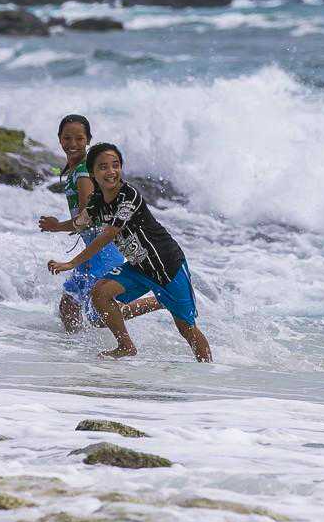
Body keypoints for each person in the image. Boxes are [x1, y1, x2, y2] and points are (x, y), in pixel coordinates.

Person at [47, 142, 211, 362]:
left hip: (167, 267)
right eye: (103, 167)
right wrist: (57, 226)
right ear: (93, 172)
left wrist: (71, 263)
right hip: (138, 267)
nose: (111, 171)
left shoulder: (129, 195)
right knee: (100, 294)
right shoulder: (97, 201)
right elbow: (81, 223)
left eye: (115, 165)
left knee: (186, 329)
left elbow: (108, 235)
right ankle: (126, 345)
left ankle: (208, 370)